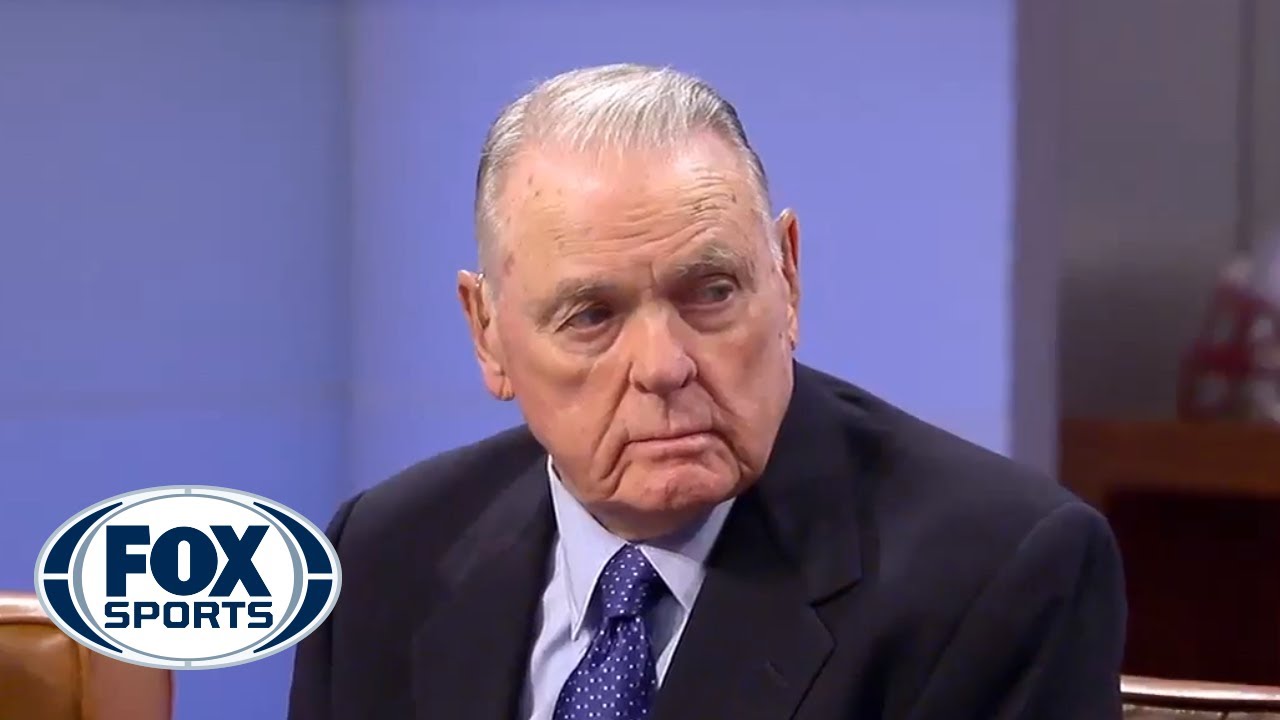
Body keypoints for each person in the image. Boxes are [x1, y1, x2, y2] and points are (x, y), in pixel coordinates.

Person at [288, 64, 1126, 720]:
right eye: (592, 316)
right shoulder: (385, 555)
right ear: (488, 333)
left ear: (786, 277)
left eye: (711, 293)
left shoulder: (998, 575)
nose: (663, 366)